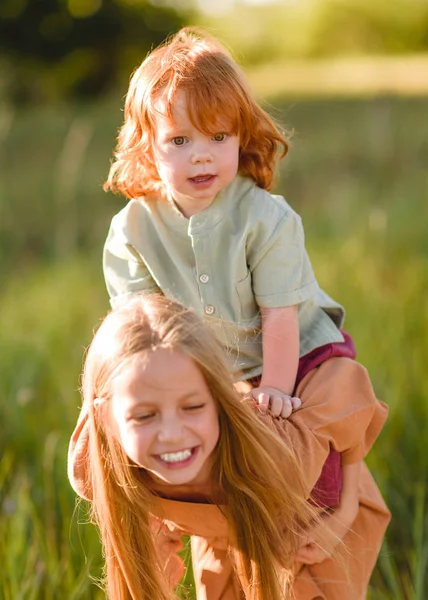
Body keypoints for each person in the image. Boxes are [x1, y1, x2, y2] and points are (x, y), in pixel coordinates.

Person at [99, 25, 362, 536]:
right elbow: (139, 336)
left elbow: (280, 319)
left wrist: (275, 394)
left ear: (240, 138)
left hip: (297, 352)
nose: (202, 154)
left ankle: (318, 523)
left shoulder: (267, 219)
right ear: (147, 147)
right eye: (179, 140)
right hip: (209, 364)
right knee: (200, 457)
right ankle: (196, 527)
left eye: (219, 137)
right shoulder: (131, 229)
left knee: (308, 470)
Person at [68, 294, 390, 600]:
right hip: (226, 537)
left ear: (220, 402)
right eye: (145, 415)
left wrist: (345, 510)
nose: (172, 435)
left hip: (316, 524)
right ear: (106, 419)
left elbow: (348, 388)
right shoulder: (93, 466)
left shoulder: (278, 450)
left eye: (192, 407)